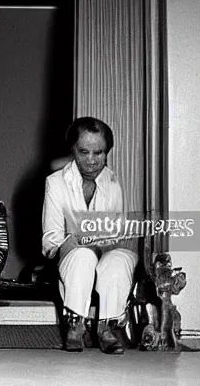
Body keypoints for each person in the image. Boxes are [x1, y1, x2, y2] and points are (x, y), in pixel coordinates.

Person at [42, 117, 138, 354]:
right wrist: (78, 243)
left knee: (120, 259)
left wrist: (101, 244)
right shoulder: (55, 183)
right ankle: (75, 326)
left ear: (107, 152)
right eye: (84, 152)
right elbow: (50, 240)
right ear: (73, 149)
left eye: (99, 152)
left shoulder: (113, 184)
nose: (92, 160)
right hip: (71, 259)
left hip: (104, 254)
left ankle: (106, 327)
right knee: (83, 255)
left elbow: (116, 234)